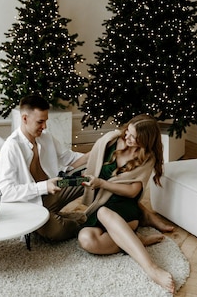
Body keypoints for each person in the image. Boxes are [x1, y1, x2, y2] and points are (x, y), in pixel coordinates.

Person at [77, 115, 175, 295]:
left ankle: (151, 267)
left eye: (133, 137)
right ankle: (135, 239)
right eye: (128, 131)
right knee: (86, 238)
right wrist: (69, 167)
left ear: (144, 141)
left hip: (124, 205)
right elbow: (93, 155)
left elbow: (132, 191)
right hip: (102, 201)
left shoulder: (147, 157)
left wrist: (102, 184)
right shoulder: (112, 140)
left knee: (104, 213)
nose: (127, 137)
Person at [0, 94, 88, 241]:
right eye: (40, 122)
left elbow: (70, 159)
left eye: (45, 121)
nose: (44, 126)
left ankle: (105, 217)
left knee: (91, 180)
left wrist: (98, 150)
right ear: (25, 118)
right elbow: (4, 192)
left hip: (54, 190)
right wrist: (43, 186)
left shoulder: (45, 137)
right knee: (56, 233)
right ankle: (86, 224)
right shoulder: (11, 147)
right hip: (30, 205)